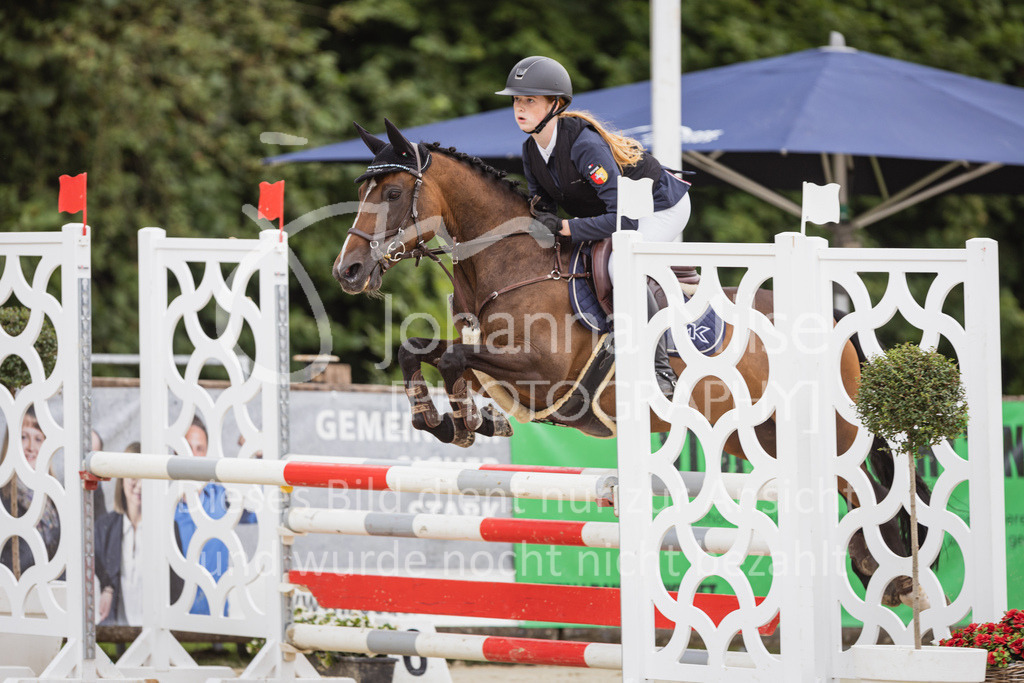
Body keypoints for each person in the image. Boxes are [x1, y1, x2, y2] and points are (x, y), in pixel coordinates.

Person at [496, 55, 692, 398]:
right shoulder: (531, 150)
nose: (520, 108)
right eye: (516, 100)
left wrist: (565, 228)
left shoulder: (584, 146)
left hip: (659, 207)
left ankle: (660, 367)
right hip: (617, 213)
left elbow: (623, 220)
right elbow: (543, 204)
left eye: (530, 100)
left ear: (556, 104)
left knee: (620, 264)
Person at [173, 416, 256, 616]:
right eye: (187, 448)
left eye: (199, 449)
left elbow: (258, 510)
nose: (193, 456)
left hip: (216, 615)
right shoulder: (161, 503)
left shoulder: (221, 497)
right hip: (172, 616)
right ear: (176, 451)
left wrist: (255, 456)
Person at [1, 406, 61, 578]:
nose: (30, 447)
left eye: (38, 439)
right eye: (23, 437)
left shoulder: (56, 498)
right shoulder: (3, 499)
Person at [94, 442, 143, 625]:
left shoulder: (166, 529)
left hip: (155, 630)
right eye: (133, 476)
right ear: (122, 479)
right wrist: (107, 587)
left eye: (146, 477)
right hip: (116, 630)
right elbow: (95, 570)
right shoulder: (104, 528)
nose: (139, 485)